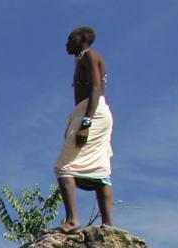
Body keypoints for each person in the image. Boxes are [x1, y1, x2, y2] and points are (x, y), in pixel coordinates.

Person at [52, 26, 113, 233]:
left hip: (92, 111)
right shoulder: (82, 60)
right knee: (100, 169)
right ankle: (108, 225)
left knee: (63, 166)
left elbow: (95, 88)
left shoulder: (90, 56)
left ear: (83, 39)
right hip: (90, 111)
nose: (66, 43)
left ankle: (72, 221)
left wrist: (86, 122)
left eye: (71, 38)